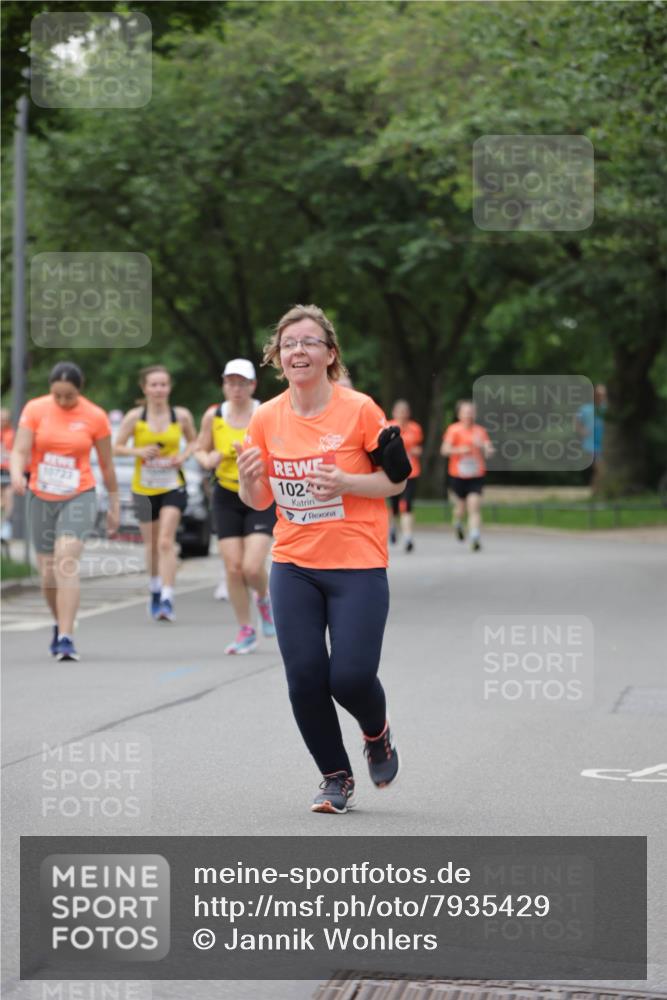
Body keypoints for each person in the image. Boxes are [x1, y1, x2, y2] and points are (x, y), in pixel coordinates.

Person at [235, 304, 409, 814]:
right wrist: (248, 480)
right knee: (305, 675)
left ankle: (376, 733)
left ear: (330, 355)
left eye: (310, 342)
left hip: (357, 563)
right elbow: (260, 502)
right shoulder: (266, 418)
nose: (298, 350)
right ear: (278, 357)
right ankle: (335, 777)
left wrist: (347, 482)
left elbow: (396, 479)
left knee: (350, 678)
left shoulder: (360, 410)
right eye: (289, 344)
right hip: (294, 564)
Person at [10, 362, 119, 661]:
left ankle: (68, 638)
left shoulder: (95, 416)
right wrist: (18, 474)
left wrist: (114, 503)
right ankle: (60, 622)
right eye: (56, 395)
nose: (61, 401)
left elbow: (107, 465)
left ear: (79, 391)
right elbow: (20, 450)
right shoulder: (35, 409)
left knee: (65, 562)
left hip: (78, 494)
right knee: (47, 573)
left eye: (68, 396)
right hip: (41, 495)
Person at [195, 359, 276, 654]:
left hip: (259, 494)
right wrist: (208, 459)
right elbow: (200, 448)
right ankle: (246, 630)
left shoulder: (265, 413)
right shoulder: (214, 415)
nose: (236, 389)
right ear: (224, 385)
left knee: (252, 567)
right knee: (233, 567)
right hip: (226, 494)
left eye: (242, 383)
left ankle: (264, 599)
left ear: (253, 386)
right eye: (231, 382)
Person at [114, 366, 197, 622]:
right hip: (144, 488)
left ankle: (167, 598)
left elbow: (195, 441)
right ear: (145, 388)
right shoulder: (134, 417)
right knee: (151, 546)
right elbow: (116, 447)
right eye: (154, 385)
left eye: (163, 385)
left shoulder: (180, 416)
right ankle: (154, 587)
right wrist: (137, 452)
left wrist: (182, 457)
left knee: (165, 541)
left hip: (172, 485)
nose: (159, 389)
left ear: (169, 387)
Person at [441, 399, 494, 551]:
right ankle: (457, 523)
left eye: (471, 412)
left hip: (476, 475)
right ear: (459, 415)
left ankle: (475, 536)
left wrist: (484, 448)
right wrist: (459, 450)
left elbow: (489, 450)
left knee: (474, 506)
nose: (469, 415)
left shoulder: (480, 431)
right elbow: (444, 450)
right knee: (460, 508)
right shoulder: (453, 430)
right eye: (466, 412)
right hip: (458, 475)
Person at [387, 399, 423, 552]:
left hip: (411, 472)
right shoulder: (388, 426)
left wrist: (416, 451)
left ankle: (408, 537)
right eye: (399, 411)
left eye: (405, 411)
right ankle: (393, 527)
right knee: (394, 506)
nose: (402, 414)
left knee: (407, 505)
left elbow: (419, 448)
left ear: (409, 413)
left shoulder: (415, 428)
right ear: (394, 413)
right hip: (393, 472)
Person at [576, 383, 607, 493]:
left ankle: (596, 491)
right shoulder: (585, 409)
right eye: (599, 394)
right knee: (601, 469)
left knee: (599, 471)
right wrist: (582, 431)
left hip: (605, 444)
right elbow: (576, 422)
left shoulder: (607, 408)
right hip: (591, 445)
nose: (601, 396)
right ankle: (597, 492)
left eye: (603, 394)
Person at [1, 408, 15, 553]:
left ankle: (5, 527)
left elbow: (15, 454)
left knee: (9, 499)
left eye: (4, 419)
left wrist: (6, 453)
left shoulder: (11, 435)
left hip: (7, 470)